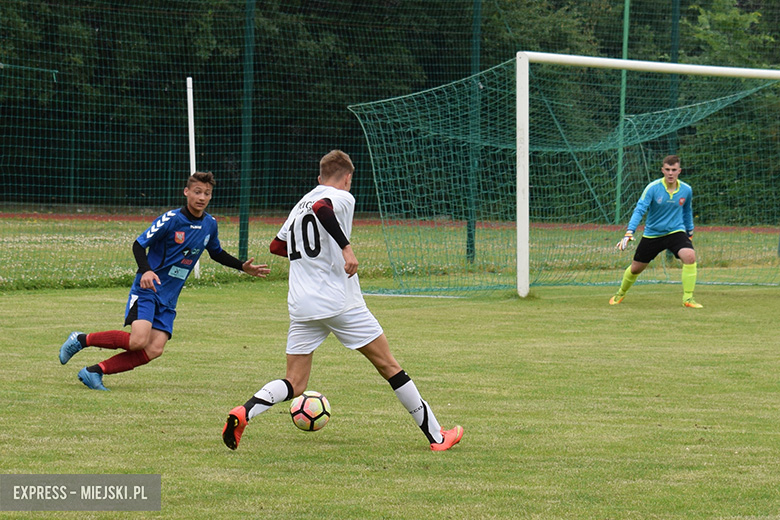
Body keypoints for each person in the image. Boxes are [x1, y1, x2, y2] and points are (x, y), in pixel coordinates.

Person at [222, 150, 463, 452]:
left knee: (295, 382)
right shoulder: (341, 197)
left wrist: (311, 257)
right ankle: (438, 437)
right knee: (389, 365)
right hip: (339, 302)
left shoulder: (300, 205)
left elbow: (276, 245)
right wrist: (345, 249)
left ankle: (245, 411)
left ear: (319, 177)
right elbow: (322, 208)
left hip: (302, 304)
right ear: (347, 178)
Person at [59, 171, 271, 390]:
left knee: (154, 349)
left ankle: (94, 371)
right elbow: (138, 245)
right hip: (148, 289)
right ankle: (81, 339)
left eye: (207, 193)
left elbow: (216, 252)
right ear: (186, 192)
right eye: (197, 192)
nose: (202, 197)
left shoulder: (210, 224)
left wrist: (242, 266)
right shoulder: (171, 219)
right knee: (138, 341)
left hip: (169, 298)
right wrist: (146, 271)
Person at [610, 154, 702, 308]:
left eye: (674, 170)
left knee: (690, 256)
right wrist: (629, 232)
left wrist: (690, 232)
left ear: (679, 171)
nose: (670, 173)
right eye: (667, 169)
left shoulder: (686, 190)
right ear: (662, 170)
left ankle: (688, 299)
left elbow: (687, 211)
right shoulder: (652, 188)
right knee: (636, 269)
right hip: (652, 234)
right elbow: (640, 209)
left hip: (675, 232)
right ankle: (621, 292)